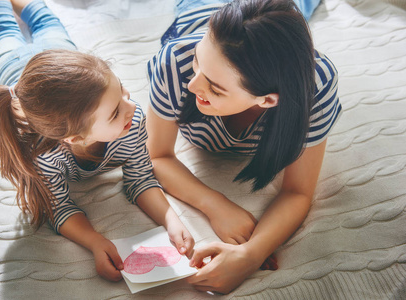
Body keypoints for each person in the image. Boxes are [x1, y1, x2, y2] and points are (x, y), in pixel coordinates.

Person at [0, 0, 194, 282]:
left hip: (60, 61)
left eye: (122, 91)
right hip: (15, 70)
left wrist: (171, 220)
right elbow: (58, 207)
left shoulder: (133, 120)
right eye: (116, 111)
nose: (133, 107)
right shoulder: (41, 156)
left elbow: (140, 178)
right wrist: (94, 241)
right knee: (2, 28)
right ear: (74, 138)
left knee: (46, 22)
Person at [146, 0, 342, 294]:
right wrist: (216, 205)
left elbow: (298, 191)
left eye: (214, 88)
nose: (192, 85)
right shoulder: (175, 63)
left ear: (267, 100)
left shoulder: (316, 85)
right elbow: (156, 155)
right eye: (198, 62)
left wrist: (251, 255)